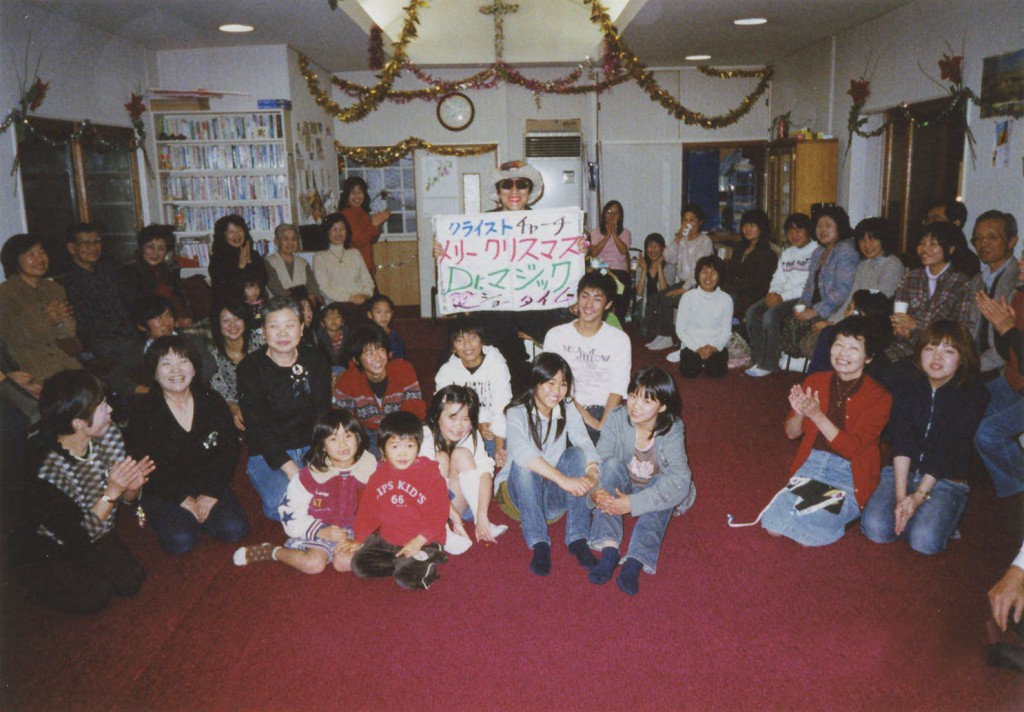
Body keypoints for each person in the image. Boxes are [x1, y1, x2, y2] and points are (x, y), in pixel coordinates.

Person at [13, 370, 153, 613]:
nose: (110, 409)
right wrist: (111, 492)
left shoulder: (109, 433)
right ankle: (37, 582)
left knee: (130, 581)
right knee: (94, 598)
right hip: (54, 545)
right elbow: (76, 537)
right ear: (78, 422)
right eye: (102, 406)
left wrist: (132, 489)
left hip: (95, 528)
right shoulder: (47, 471)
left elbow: (126, 501)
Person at [432, 160, 575, 384]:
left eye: (522, 185)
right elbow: (461, 268)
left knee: (566, 329)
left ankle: (555, 386)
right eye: (507, 185)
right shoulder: (479, 225)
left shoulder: (548, 226)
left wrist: (576, 250)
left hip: (534, 306)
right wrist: (444, 255)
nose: (514, 191)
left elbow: (560, 268)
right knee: (464, 340)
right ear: (498, 192)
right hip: (494, 308)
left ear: (530, 191)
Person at [758, 316, 892, 546]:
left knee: (809, 516)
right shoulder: (816, 380)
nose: (842, 354)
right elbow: (791, 433)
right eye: (838, 345)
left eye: (853, 348)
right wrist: (799, 411)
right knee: (771, 523)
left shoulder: (880, 397)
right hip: (812, 465)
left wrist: (817, 415)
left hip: (848, 476)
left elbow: (850, 448)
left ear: (869, 357)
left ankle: (834, 513)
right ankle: (818, 516)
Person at [860, 321, 988, 554]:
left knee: (924, 542)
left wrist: (918, 498)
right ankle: (922, 515)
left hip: (946, 478)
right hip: (903, 469)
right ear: (919, 353)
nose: (937, 357)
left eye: (949, 351)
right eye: (930, 348)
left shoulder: (974, 393)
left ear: (962, 358)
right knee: (875, 529)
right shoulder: (905, 380)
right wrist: (902, 496)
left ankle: (943, 515)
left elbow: (948, 449)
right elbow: (902, 437)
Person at [126, 335, 249, 554]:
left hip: (207, 482)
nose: (176, 370)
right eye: (166, 364)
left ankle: (201, 515)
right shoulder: (143, 413)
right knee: (181, 540)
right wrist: (182, 499)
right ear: (154, 372)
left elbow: (229, 451)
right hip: (165, 488)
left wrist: (211, 492)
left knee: (234, 529)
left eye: (183, 361)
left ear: (194, 367)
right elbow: (145, 467)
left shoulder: (212, 400)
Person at [586, 367, 696, 595]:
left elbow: (680, 480)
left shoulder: (673, 429)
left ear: (662, 406)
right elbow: (599, 459)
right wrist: (595, 491)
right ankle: (609, 549)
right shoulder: (617, 417)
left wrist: (632, 504)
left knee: (663, 485)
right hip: (625, 482)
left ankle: (635, 561)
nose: (635, 406)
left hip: (654, 487)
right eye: (633, 396)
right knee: (610, 466)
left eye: (647, 401)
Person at [233, 409, 377, 573]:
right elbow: (291, 508)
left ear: (358, 438)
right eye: (333, 439)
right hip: (319, 528)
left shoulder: (371, 468)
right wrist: (319, 531)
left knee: (344, 563)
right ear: (323, 446)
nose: (342, 444)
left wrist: (361, 536)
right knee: (313, 564)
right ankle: (273, 551)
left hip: (355, 530)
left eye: (348, 436)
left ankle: (340, 552)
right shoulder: (311, 476)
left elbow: (382, 505)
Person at [496, 352, 601, 576]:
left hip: (551, 498)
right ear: (535, 381)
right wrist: (563, 480)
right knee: (525, 465)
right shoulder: (516, 412)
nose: (557, 391)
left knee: (577, 454)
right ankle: (539, 543)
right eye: (550, 382)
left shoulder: (567, 406)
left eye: (563, 384)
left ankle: (578, 538)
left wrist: (592, 472)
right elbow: (522, 452)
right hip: (518, 496)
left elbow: (583, 440)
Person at [237, 295, 332, 520]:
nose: (282, 334)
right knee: (280, 506)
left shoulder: (315, 359)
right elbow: (257, 428)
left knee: (337, 493)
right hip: (270, 452)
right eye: (274, 326)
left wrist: (319, 456)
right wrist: (292, 470)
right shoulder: (250, 368)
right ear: (263, 331)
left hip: (311, 446)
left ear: (302, 328)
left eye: (290, 325)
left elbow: (323, 412)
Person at [351, 411, 450, 590]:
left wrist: (419, 540)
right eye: (395, 446)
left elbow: (439, 514)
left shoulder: (431, 475)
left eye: (410, 446)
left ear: (418, 447)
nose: (403, 453)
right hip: (390, 540)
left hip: (425, 540)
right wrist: (358, 538)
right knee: (359, 565)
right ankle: (402, 562)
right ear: (382, 449)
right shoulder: (377, 477)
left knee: (407, 579)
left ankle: (423, 561)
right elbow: (368, 511)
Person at [799, 217, 906, 375]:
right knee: (826, 333)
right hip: (858, 320)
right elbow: (851, 298)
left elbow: (878, 304)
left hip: (878, 324)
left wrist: (838, 322)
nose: (867, 245)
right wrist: (831, 321)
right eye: (862, 240)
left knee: (829, 336)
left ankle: (817, 380)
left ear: (883, 240)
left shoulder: (893, 265)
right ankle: (820, 380)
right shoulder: (863, 265)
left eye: (872, 239)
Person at [543, 271, 631, 442]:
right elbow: (551, 383)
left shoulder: (619, 339)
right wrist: (587, 419)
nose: (589, 305)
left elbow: (618, 389)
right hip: (564, 406)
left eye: (597, 299)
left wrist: (603, 425)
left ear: (608, 304)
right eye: (585, 296)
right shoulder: (556, 335)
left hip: (605, 410)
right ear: (577, 298)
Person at [884, 222, 978, 368]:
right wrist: (900, 328)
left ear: (950, 249)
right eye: (922, 243)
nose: (924, 249)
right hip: (905, 348)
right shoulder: (911, 277)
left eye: (933, 244)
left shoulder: (961, 283)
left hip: (941, 354)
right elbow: (899, 318)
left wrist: (916, 325)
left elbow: (962, 330)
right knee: (876, 366)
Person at [421, 385, 507, 543]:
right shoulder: (425, 436)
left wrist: (482, 516)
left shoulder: (470, 435)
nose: (459, 426)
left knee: (462, 454)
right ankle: (442, 530)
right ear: (437, 415)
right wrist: (452, 517)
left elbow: (485, 473)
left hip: (456, 498)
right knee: (441, 458)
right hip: (427, 504)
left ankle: (482, 524)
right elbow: (425, 487)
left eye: (466, 419)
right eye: (452, 418)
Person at [333, 324, 427, 454]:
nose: (377, 358)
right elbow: (343, 419)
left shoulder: (403, 370)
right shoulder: (347, 381)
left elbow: (414, 411)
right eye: (369, 353)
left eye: (381, 350)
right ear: (356, 360)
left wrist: (393, 443)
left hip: (402, 430)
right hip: (367, 435)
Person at [0, 234, 81, 386]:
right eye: (31, 254)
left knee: (89, 388)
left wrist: (65, 319)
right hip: (31, 366)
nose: (40, 259)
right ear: (15, 260)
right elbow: (11, 337)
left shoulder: (54, 288)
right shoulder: (5, 293)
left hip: (64, 360)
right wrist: (47, 319)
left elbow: (67, 334)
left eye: (42, 252)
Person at [433, 313, 513, 468]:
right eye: (459, 340)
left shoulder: (496, 363)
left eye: (472, 338)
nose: (467, 345)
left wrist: (499, 445)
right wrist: (475, 425)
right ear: (453, 347)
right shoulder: (447, 371)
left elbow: (502, 404)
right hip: (462, 430)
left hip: (497, 430)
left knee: (516, 449)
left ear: (482, 340)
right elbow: (442, 411)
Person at [974, 255, 1024, 497]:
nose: (1021, 264)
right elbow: (1007, 354)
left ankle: (1018, 491)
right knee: (968, 400)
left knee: (988, 432)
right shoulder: (1020, 296)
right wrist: (1000, 328)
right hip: (1013, 383)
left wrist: (1010, 331)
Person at [782, 206, 860, 359]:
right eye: (819, 225)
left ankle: (808, 363)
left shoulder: (846, 250)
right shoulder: (819, 251)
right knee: (791, 319)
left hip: (836, 311)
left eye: (828, 225)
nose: (822, 230)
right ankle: (800, 362)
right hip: (816, 307)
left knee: (794, 326)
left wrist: (815, 311)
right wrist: (802, 305)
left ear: (840, 227)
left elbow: (842, 291)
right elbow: (809, 285)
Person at [744, 213, 817, 376]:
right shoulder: (787, 252)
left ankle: (770, 364)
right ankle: (758, 360)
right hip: (780, 295)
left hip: (802, 298)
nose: (794, 235)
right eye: (790, 231)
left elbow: (808, 283)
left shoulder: (816, 251)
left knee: (770, 316)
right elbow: (778, 277)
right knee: (752, 313)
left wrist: (782, 297)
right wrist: (773, 292)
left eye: (799, 230)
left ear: (808, 231)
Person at [59, 223, 136, 362]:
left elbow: (128, 303)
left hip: (125, 334)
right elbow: (87, 324)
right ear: (71, 248)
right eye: (86, 243)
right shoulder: (68, 281)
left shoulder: (109, 272)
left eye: (96, 242)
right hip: (96, 342)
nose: (93, 248)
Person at [643, 205, 715, 349]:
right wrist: (677, 238)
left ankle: (667, 337)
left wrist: (684, 289)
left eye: (691, 220)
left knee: (668, 299)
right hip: (683, 282)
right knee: (655, 298)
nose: (688, 224)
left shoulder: (704, 241)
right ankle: (659, 334)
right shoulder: (682, 241)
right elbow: (667, 257)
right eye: (684, 220)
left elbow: (701, 271)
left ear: (700, 222)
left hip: (698, 284)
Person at [971, 210, 1019, 379]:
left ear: (1012, 241)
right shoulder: (976, 280)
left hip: (1005, 370)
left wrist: (971, 366)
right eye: (977, 239)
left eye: (992, 237)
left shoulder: (1018, 280)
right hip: (975, 364)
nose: (983, 244)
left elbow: (1008, 347)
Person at [669, 254, 732, 377]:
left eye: (713, 273)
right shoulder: (688, 297)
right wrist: (697, 348)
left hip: (714, 345)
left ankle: (707, 361)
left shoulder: (726, 299)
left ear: (720, 276)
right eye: (704, 272)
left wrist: (713, 348)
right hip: (692, 344)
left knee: (717, 373)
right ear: (698, 275)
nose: (708, 277)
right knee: (689, 372)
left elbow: (726, 331)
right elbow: (680, 329)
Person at [208, 299, 265, 431]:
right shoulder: (214, 356)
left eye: (238, 318)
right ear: (218, 324)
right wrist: (233, 408)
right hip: (239, 412)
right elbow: (221, 390)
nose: (233, 325)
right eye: (226, 320)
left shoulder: (261, 341)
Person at [120, 224, 191, 328]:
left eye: (161, 248)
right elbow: (138, 311)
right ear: (142, 248)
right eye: (150, 247)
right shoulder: (130, 273)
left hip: (176, 324)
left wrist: (185, 318)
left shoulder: (167, 271)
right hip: (150, 329)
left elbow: (181, 299)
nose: (155, 253)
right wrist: (174, 323)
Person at [312, 212, 375, 320]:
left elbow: (367, 280)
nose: (338, 233)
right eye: (334, 229)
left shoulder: (355, 253)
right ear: (327, 232)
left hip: (360, 301)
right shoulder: (320, 257)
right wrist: (349, 298)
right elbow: (323, 287)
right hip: (336, 304)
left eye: (342, 229)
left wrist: (365, 294)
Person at [722, 209, 778, 319]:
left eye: (752, 225)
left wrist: (733, 288)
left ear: (761, 227)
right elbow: (731, 272)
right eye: (745, 225)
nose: (747, 229)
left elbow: (758, 283)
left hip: (753, 296)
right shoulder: (739, 247)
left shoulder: (768, 253)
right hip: (735, 291)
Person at [208, 214, 269, 305]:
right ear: (223, 235)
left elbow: (265, 280)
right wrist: (241, 266)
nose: (237, 235)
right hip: (230, 307)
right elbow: (222, 290)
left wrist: (250, 264)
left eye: (239, 230)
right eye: (231, 232)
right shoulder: (218, 259)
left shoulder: (253, 254)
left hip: (257, 305)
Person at [588, 200, 632, 322]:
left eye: (616, 213)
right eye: (609, 212)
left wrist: (614, 234)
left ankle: (619, 320)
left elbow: (623, 251)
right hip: (601, 269)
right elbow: (594, 252)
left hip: (619, 270)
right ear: (604, 214)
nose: (612, 215)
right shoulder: (596, 231)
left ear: (620, 216)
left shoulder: (625, 232)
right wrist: (607, 236)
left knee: (622, 284)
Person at [340, 175, 391, 275]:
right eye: (353, 193)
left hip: (366, 267)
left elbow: (372, 240)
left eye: (360, 193)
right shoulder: (346, 214)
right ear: (346, 195)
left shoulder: (362, 212)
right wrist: (374, 225)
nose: (357, 197)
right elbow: (359, 241)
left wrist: (378, 223)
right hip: (354, 269)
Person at [265, 223, 320, 299]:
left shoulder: (303, 263)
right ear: (276, 241)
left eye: (294, 239)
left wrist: (310, 298)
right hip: (279, 304)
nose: (290, 243)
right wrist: (299, 300)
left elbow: (313, 289)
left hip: (304, 304)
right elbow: (277, 290)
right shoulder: (268, 262)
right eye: (286, 239)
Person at [366, 293, 405, 359]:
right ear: (370, 315)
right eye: (378, 312)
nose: (384, 316)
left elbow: (399, 358)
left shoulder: (395, 338)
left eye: (387, 312)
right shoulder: (366, 335)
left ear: (392, 313)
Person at [315, 301, 349, 376]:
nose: (333, 320)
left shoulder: (348, 335)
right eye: (329, 317)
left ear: (343, 321)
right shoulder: (318, 337)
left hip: (344, 371)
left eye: (337, 317)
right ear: (322, 323)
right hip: (324, 371)